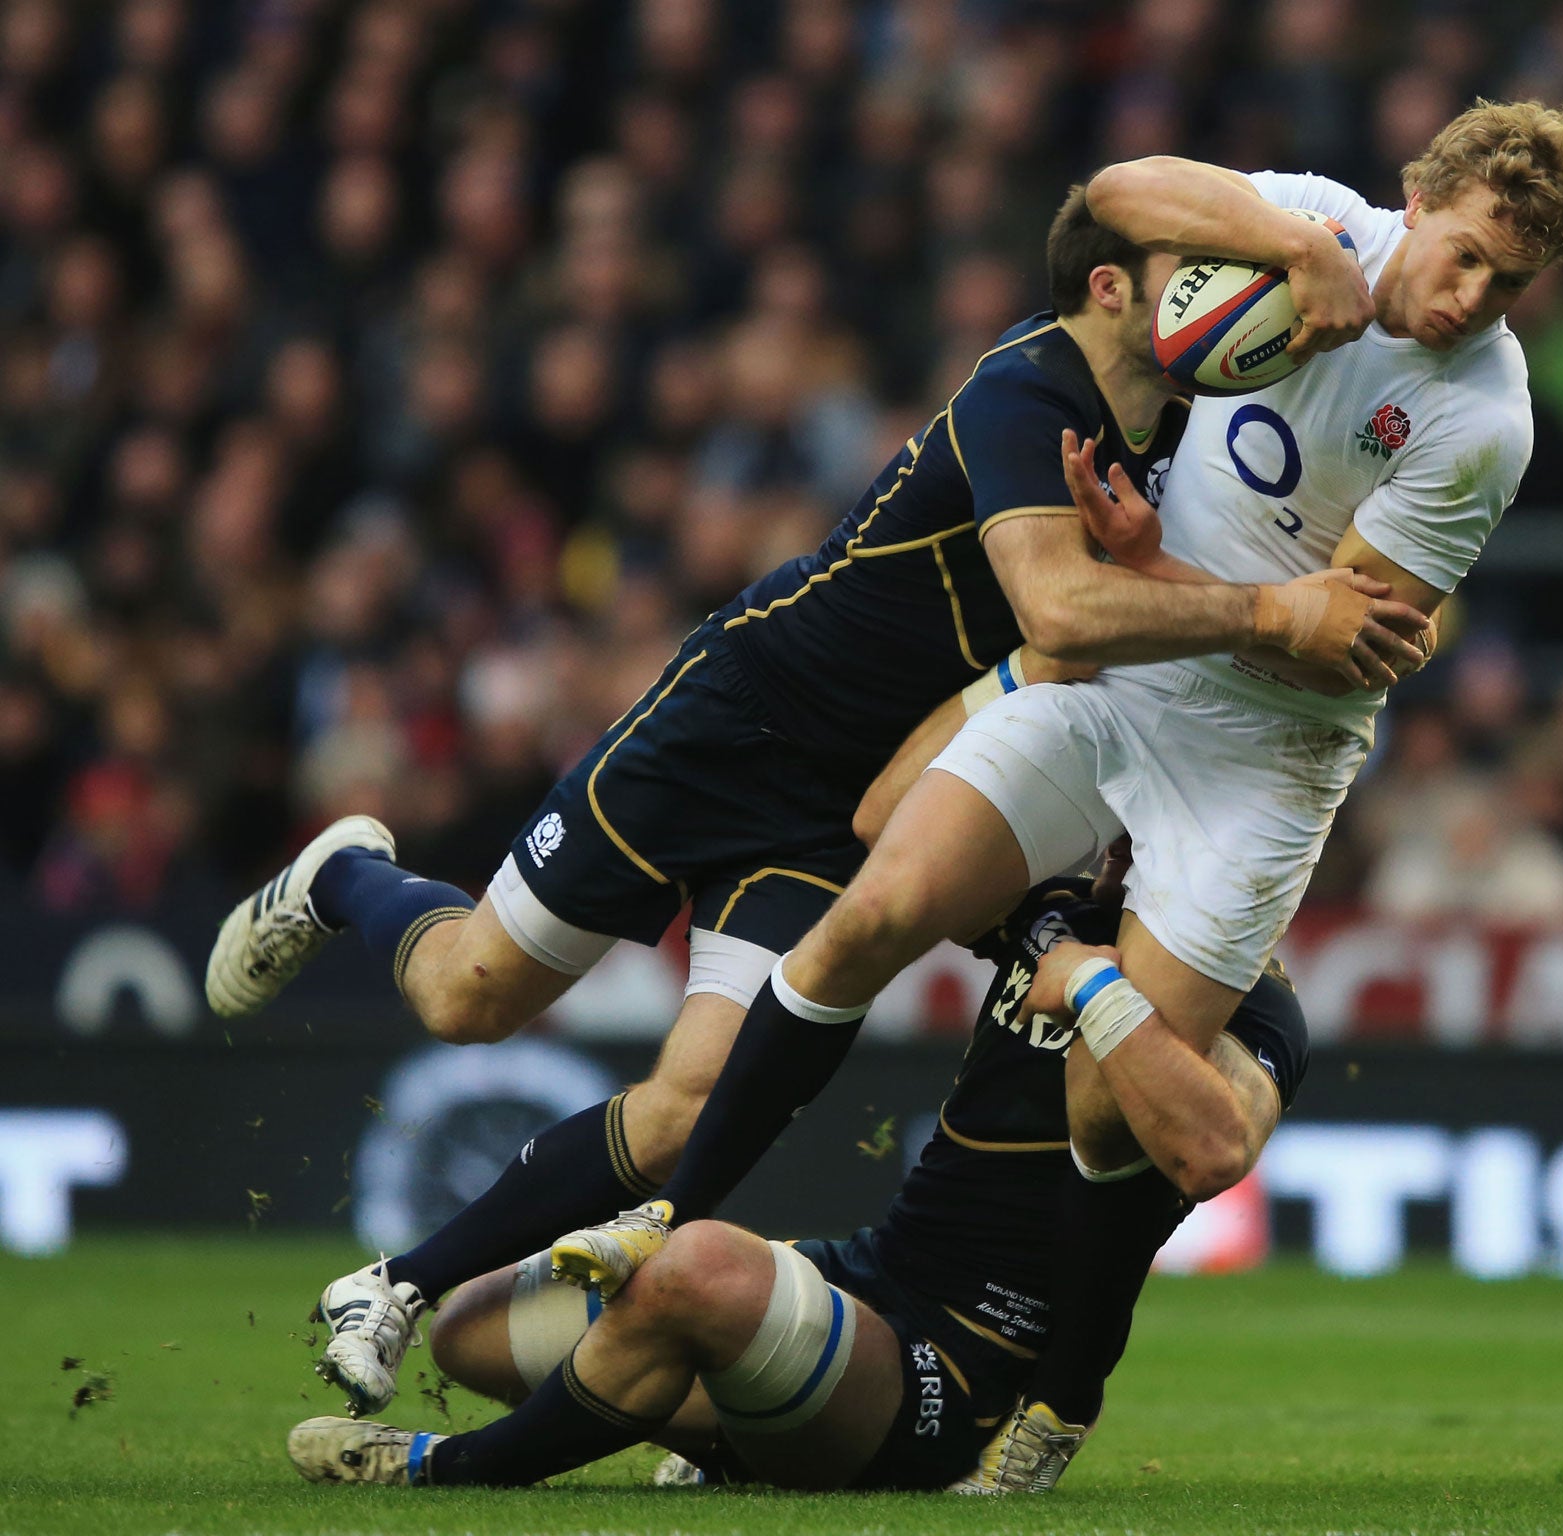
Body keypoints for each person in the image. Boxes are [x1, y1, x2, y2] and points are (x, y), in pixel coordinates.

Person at [213, 187, 1424, 1418]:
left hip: (865, 787)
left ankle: (396, 1289)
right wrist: (1274, 603)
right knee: (466, 995)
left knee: (692, 1112)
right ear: (1112, 286)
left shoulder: (1190, 427)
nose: (1213, 291)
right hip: (738, 723)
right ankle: (343, 878)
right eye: (1184, 266)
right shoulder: (1027, 389)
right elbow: (1060, 615)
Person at [551, 101, 1563, 1485]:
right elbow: (1118, 187)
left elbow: (1328, 640)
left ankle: (1064, 1397)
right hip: (1124, 672)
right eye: (1463, 254)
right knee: (878, 904)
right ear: (1418, 196)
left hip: (1262, 755)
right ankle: (669, 1206)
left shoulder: (1479, 424)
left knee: (1113, 1106)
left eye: (1507, 283)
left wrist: (1153, 575)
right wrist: (1292, 246)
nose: (1471, 298)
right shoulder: (1307, 219)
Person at [284, 869, 1308, 1494]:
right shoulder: (1065, 908)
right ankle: (750, 1445)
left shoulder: (1257, 1017)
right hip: (874, 1277)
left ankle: (443, 1468)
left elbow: (1213, 1141)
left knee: (696, 1272)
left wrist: (1092, 987)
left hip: (962, 1371)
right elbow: (909, 854)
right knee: (471, 1329)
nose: (1133, 847)